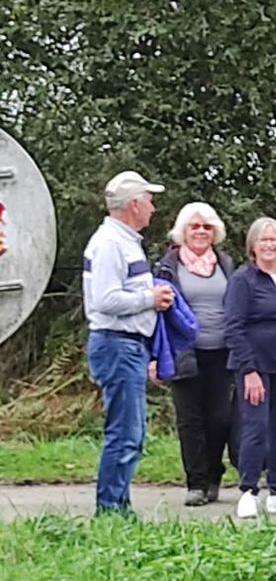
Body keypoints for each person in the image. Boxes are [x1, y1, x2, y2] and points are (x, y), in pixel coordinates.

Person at [82, 170, 172, 515]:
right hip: (117, 344)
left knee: (131, 433)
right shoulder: (110, 244)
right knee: (124, 433)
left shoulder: (125, 241)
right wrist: (150, 299)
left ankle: (119, 508)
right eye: (149, 200)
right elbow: (105, 300)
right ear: (134, 204)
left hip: (128, 345)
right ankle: (110, 511)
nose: (152, 207)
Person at [153, 202, 238, 506]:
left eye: (206, 227)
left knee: (220, 419)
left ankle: (214, 475)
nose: (201, 231)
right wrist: (154, 357)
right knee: (190, 421)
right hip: (183, 353)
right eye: (194, 226)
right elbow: (157, 317)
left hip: (222, 353)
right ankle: (196, 484)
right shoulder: (167, 267)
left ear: (215, 232)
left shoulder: (226, 264)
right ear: (183, 231)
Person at [225, 217, 276, 518]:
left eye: (274, 239)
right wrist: (249, 370)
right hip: (254, 367)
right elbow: (233, 327)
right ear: (253, 245)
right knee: (255, 428)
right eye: (263, 240)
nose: (269, 245)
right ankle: (248, 491)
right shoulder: (242, 280)